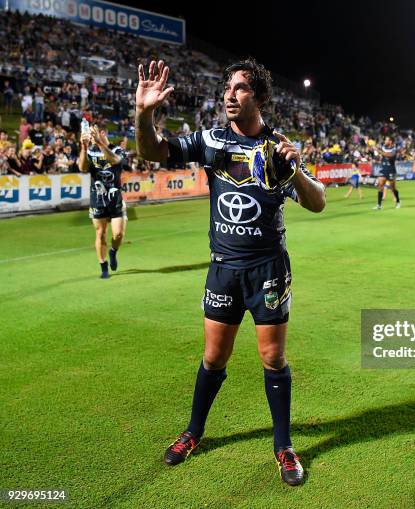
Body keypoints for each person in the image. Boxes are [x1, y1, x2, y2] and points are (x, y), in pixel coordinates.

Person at [135, 58, 325, 486]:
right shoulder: (209, 140)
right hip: (223, 269)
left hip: (268, 271)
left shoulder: (278, 148)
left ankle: (283, 446)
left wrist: (295, 170)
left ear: (258, 96)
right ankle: (193, 433)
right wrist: (144, 113)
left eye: (239, 88)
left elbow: (317, 202)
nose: (229, 95)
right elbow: (151, 151)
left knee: (272, 357)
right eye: (227, 88)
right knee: (214, 357)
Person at [78, 125, 126, 279]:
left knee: (118, 234)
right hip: (97, 199)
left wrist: (99, 143)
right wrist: (84, 147)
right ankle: (103, 265)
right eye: (91, 136)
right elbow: (83, 167)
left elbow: (115, 161)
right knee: (101, 233)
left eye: (94, 134)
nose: (92, 138)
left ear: (102, 133)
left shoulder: (118, 150)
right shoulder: (90, 150)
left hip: (115, 198)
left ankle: (113, 252)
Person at [374, 136, 400, 210]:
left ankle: (398, 202)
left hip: (391, 170)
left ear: (390, 141)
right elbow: (379, 153)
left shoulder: (394, 149)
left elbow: (389, 155)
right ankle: (379, 205)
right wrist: (374, 148)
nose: (385, 141)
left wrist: (379, 152)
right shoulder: (383, 147)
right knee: (380, 186)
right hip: (383, 169)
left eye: (386, 140)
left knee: (393, 188)